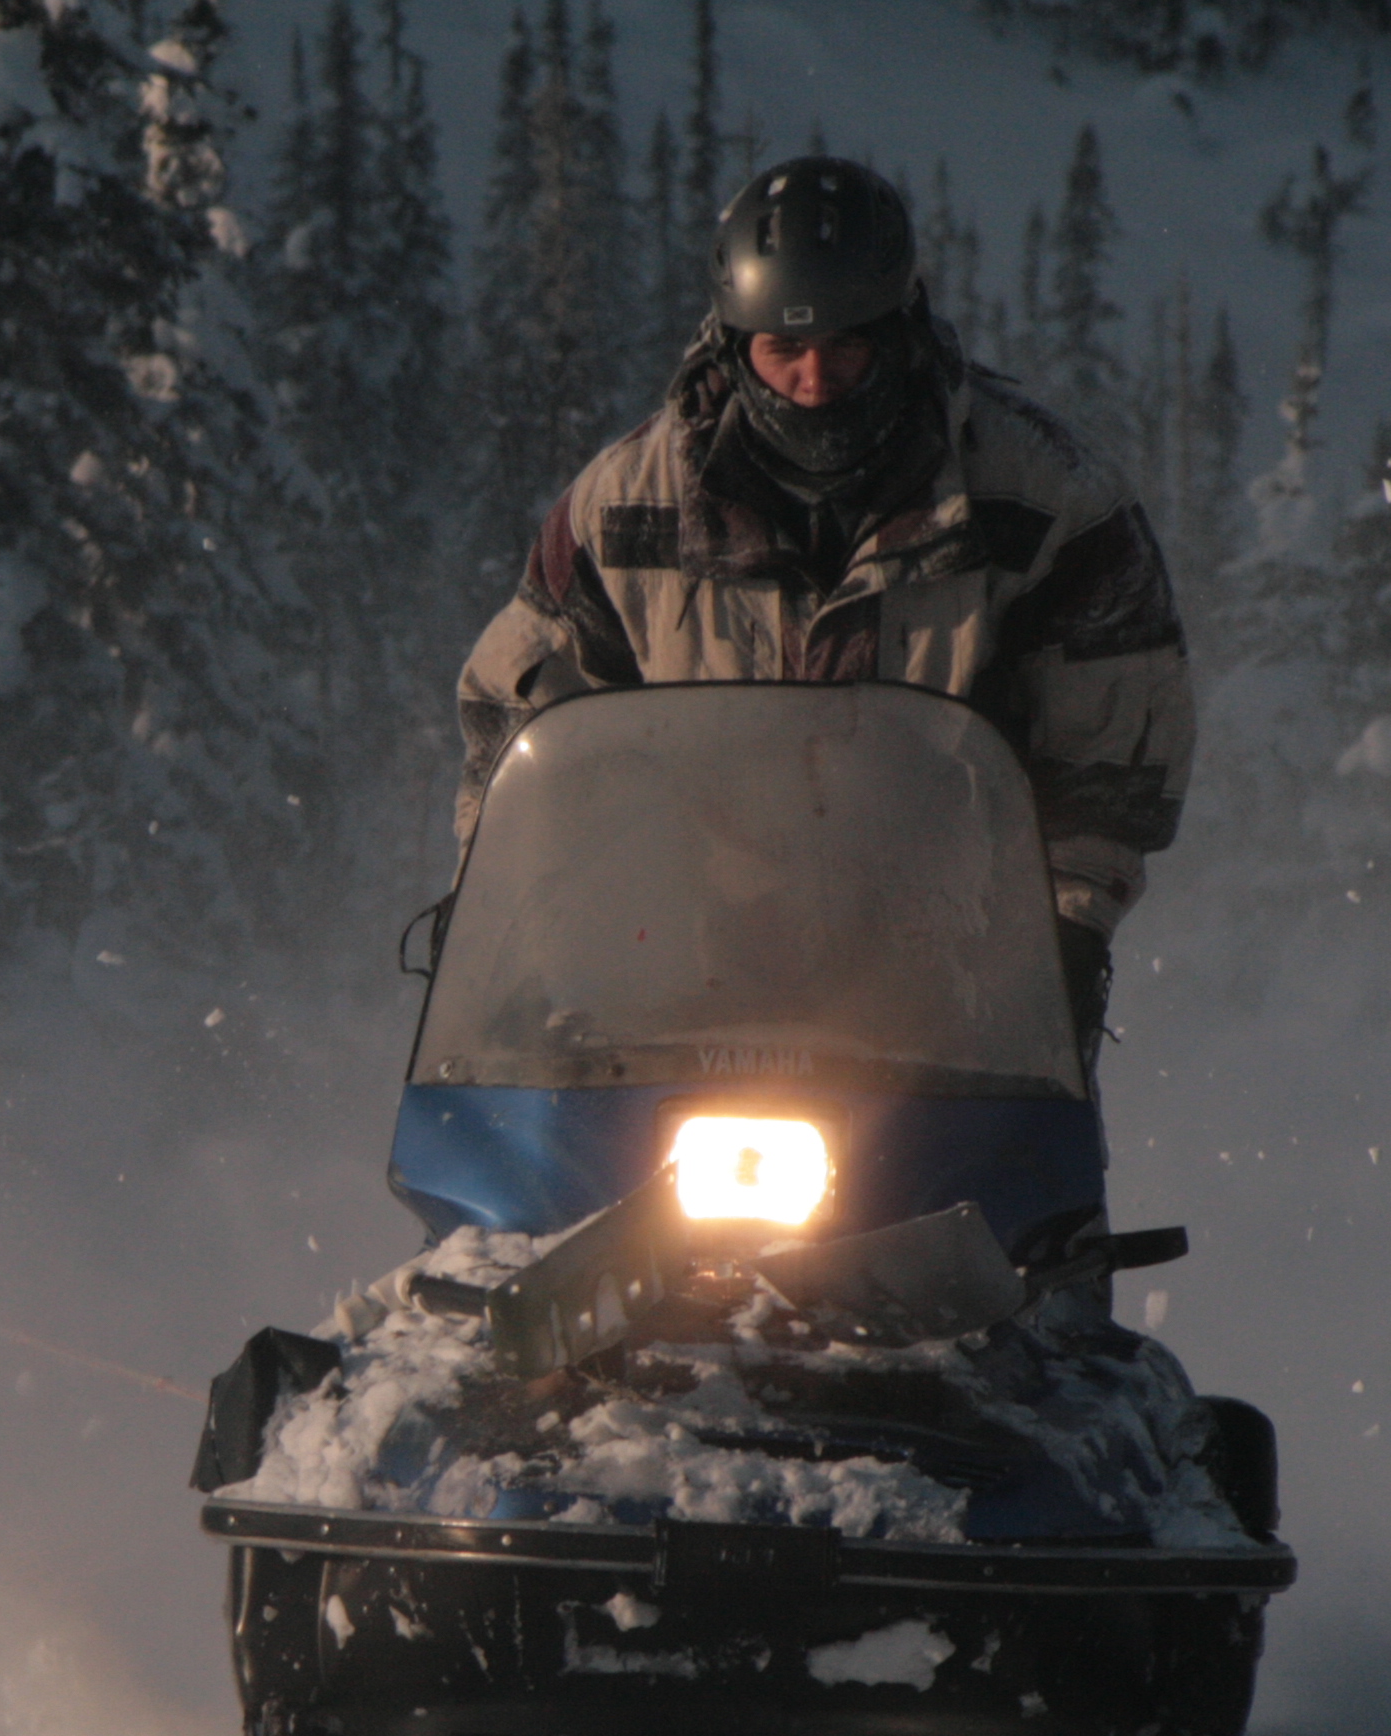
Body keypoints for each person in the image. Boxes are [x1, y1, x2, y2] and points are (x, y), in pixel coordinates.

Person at [456, 156, 1197, 1063]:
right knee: (530, 1200)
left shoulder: (1045, 502)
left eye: (846, 344)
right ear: (733, 346)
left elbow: (1115, 750)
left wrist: (1062, 945)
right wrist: (506, 937)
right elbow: (517, 720)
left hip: (961, 997)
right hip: (680, 988)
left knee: (1022, 1202)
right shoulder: (626, 512)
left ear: (901, 327)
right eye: (784, 349)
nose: (815, 378)